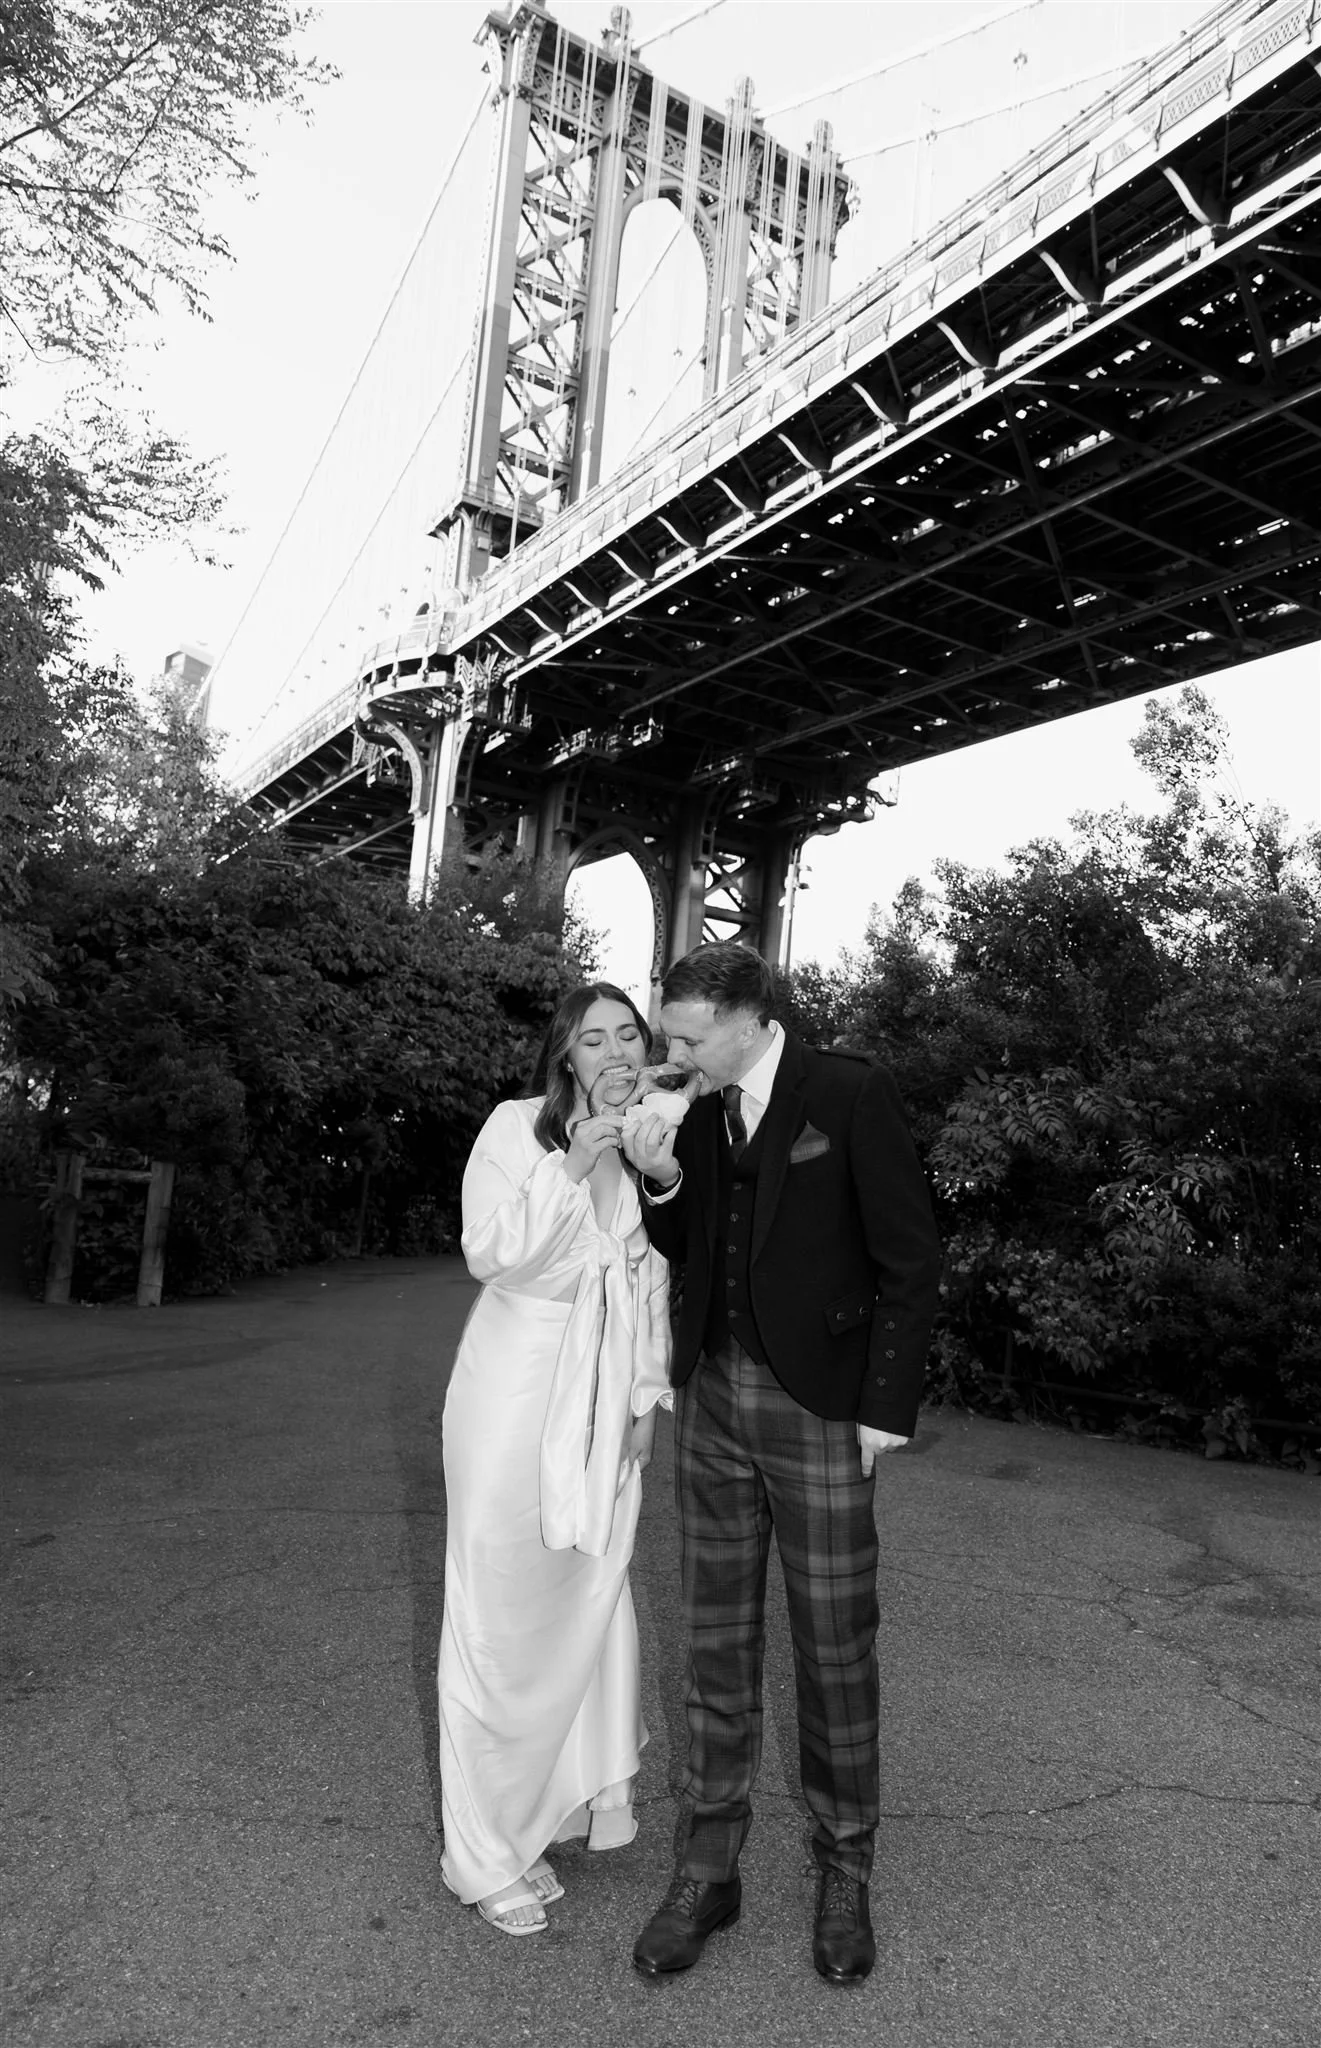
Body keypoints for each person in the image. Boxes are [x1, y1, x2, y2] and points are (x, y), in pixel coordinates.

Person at [621, 941, 942, 1985]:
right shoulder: (702, 1105)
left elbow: (909, 1254)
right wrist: (663, 1177)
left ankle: (844, 1867)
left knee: (834, 1649)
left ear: (750, 1016)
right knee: (714, 1642)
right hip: (712, 1394)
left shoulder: (846, 1091)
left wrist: (883, 1405)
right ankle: (709, 1867)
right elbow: (690, 1244)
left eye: (684, 1034)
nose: (670, 1053)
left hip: (818, 1406)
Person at [437, 983, 672, 1936]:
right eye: (593, 1040)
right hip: (513, 1389)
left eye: (628, 1036)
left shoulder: (654, 1136)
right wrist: (569, 1167)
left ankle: (536, 1818)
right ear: (564, 1058)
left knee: (582, 1598)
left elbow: (650, 1274)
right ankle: (479, 1851)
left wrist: (648, 1396)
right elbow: (491, 1255)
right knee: (498, 1615)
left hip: (605, 1394)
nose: (614, 1052)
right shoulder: (513, 1130)